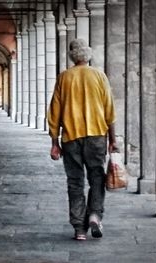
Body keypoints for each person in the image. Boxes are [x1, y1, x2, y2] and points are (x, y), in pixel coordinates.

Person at [48, 39, 118, 241]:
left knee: (75, 182)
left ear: (72, 56)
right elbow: (109, 111)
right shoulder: (99, 76)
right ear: (88, 56)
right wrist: (112, 140)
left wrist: (54, 142)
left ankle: (79, 228)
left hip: (71, 138)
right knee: (97, 178)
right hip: (96, 137)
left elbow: (54, 112)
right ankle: (95, 215)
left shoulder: (64, 78)